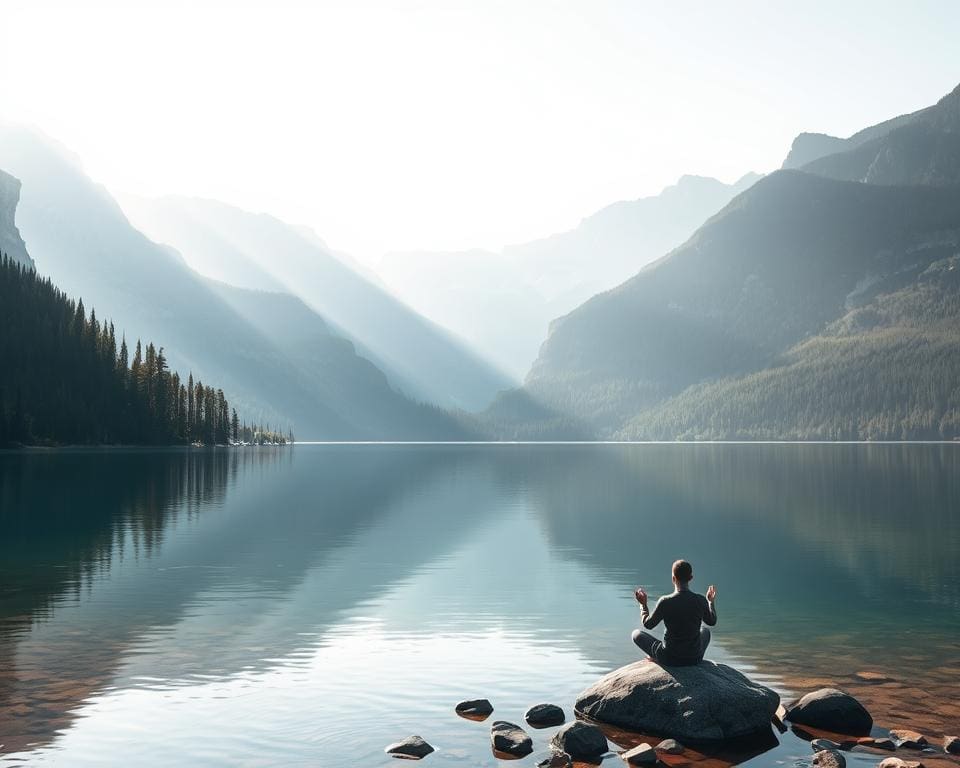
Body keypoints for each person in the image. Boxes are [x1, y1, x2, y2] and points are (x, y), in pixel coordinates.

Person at [632, 559, 717, 666]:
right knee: (706, 631)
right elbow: (712, 621)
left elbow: (648, 624)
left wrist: (643, 605)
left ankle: (656, 658)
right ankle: (692, 655)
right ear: (691, 578)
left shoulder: (665, 601)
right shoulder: (700, 600)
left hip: (669, 658)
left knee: (636, 634)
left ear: (673, 578)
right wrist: (710, 602)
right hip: (695, 658)